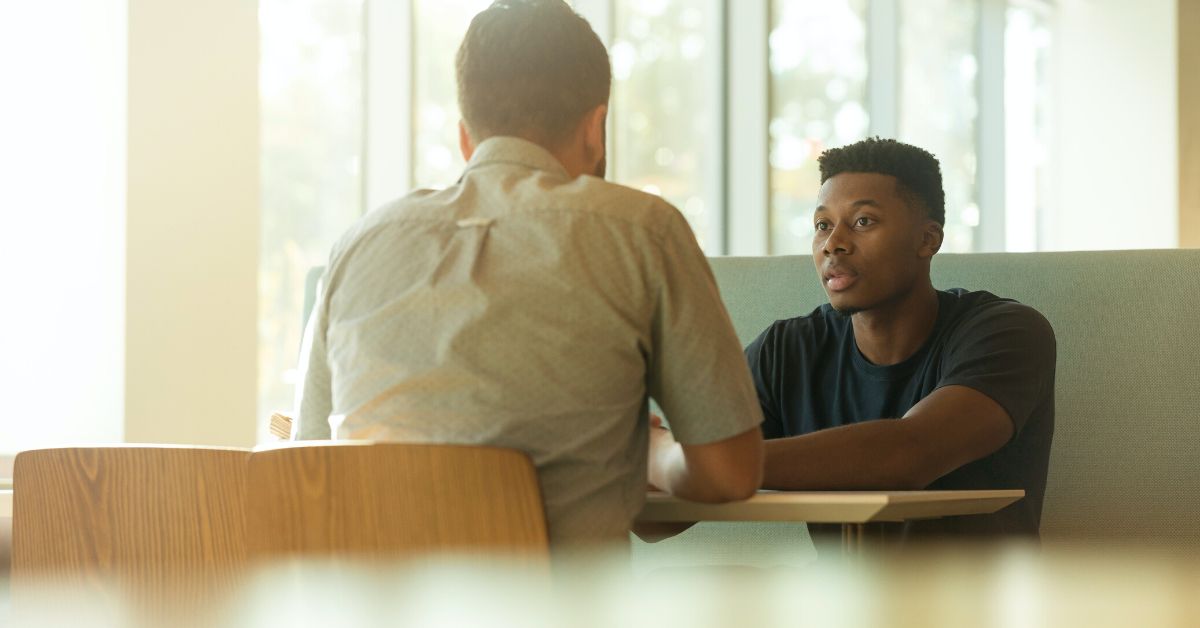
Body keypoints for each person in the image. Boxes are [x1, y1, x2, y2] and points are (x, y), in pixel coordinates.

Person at [293, 0, 763, 548]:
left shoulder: (358, 244)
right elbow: (729, 473)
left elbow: (307, 466)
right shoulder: (642, 230)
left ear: (467, 137)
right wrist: (651, 452)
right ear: (596, 127)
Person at [745, 137, 1055, 540]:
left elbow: (908, 455)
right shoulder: (786, 350)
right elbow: (658, 520)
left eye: (862, 222)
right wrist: (658, 457)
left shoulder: (1008, 333)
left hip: (978, 599)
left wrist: (705, 463)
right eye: (822, 225)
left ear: (928, 240)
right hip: (840, 599)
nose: (832, 243)